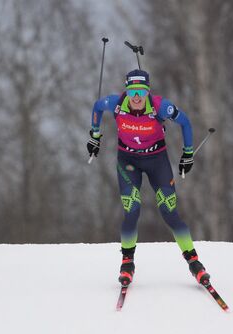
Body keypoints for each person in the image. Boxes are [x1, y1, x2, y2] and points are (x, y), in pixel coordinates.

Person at [87, 69, 211, 287]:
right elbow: (97, 107)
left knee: (169, 213)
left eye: (141, 92)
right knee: (132, 210)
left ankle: (195, 263)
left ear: (148, 92)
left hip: (157, 162)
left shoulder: (160, 107)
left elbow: (186, 123)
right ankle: (127, 264)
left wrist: (188, 154)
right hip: (128, 162)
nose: (136, 97)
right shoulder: (116, 104)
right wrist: (95, 137)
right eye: (133, 91)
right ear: (127, 90)